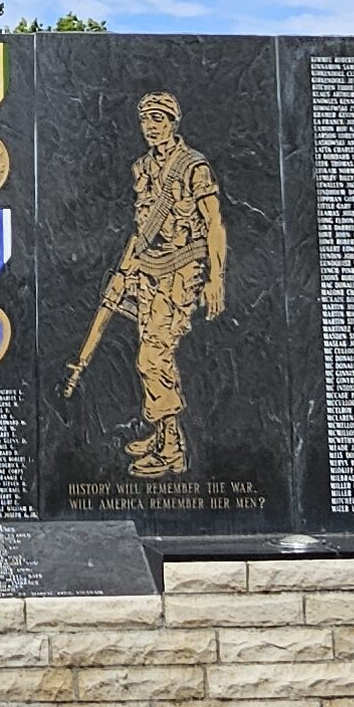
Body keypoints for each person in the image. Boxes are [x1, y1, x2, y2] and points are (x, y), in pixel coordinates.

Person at [71, 91, 227, 479]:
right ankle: (160, 433)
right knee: (153, 355)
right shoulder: (142, 167)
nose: (152, 127)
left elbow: (214, 224)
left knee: (152, 358)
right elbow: (142, 228)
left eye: (159, 119)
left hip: (182, 269)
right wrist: (125, 271)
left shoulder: (193, 167)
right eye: (146, 120)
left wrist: (216, 278)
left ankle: (172, 449)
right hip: (147, 271)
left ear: (173, 122)